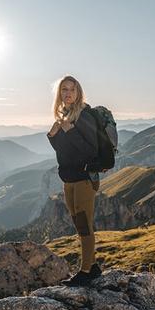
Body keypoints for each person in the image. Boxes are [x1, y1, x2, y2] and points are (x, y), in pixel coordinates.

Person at [47, 75, 102, 286]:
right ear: (59, 93)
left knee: (84, 225)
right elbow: (65, 151)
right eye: (63, 89)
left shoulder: (84, 115)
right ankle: (93, 266)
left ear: (78, 92)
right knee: (79, 225)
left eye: (72, 89)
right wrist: (53, 136)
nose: (67, 93)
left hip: (84, 180)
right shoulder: (66, 115)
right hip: (69, 179)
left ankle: (86, 271)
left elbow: (90, 152)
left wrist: (69, 131)